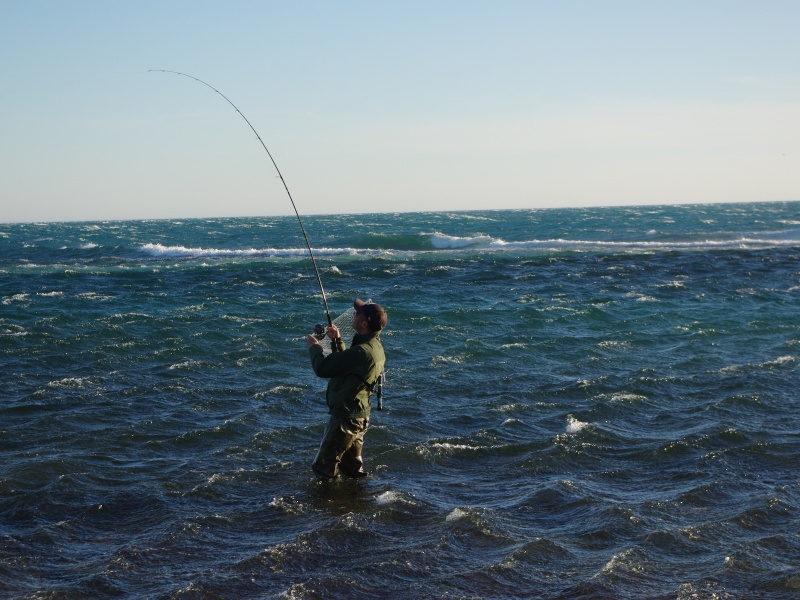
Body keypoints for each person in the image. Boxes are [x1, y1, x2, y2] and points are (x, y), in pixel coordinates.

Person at [306, 298, 387, 480]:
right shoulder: (374, 346)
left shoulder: (362, 351)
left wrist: (314, 348)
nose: (354, 314)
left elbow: (323, 368)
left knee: (323, 468)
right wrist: (337, 341)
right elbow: (348, 364)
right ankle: (358, 501)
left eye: (358, 314)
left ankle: (328, 505)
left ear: (364, 323)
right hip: (359, 415)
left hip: (346, 419)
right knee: (352, 469)